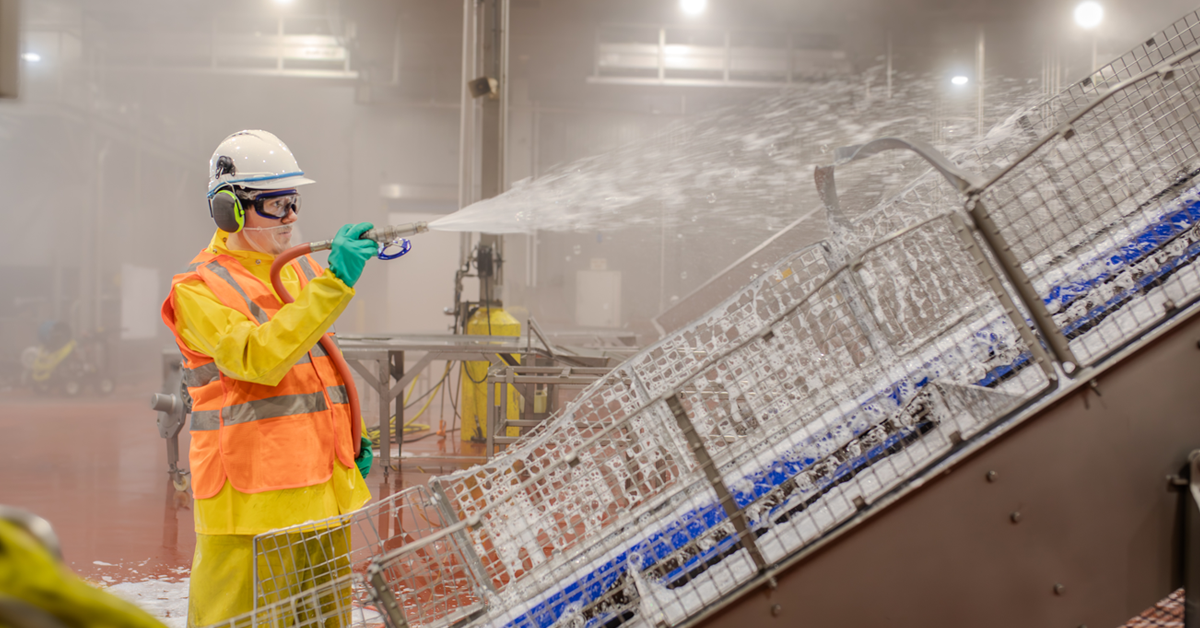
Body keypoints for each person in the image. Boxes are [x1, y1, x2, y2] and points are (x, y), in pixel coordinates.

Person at [160, 130, 379, 626]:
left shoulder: (296, 274)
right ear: (229, 211)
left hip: (320, 488)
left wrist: (352, 438)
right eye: (275, 205)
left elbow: (321, 369)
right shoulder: (198, 288)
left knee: (323, 619)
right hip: (250, 501)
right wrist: (336, 282)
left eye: (294, 202)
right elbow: (257, 360)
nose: (291, 218)